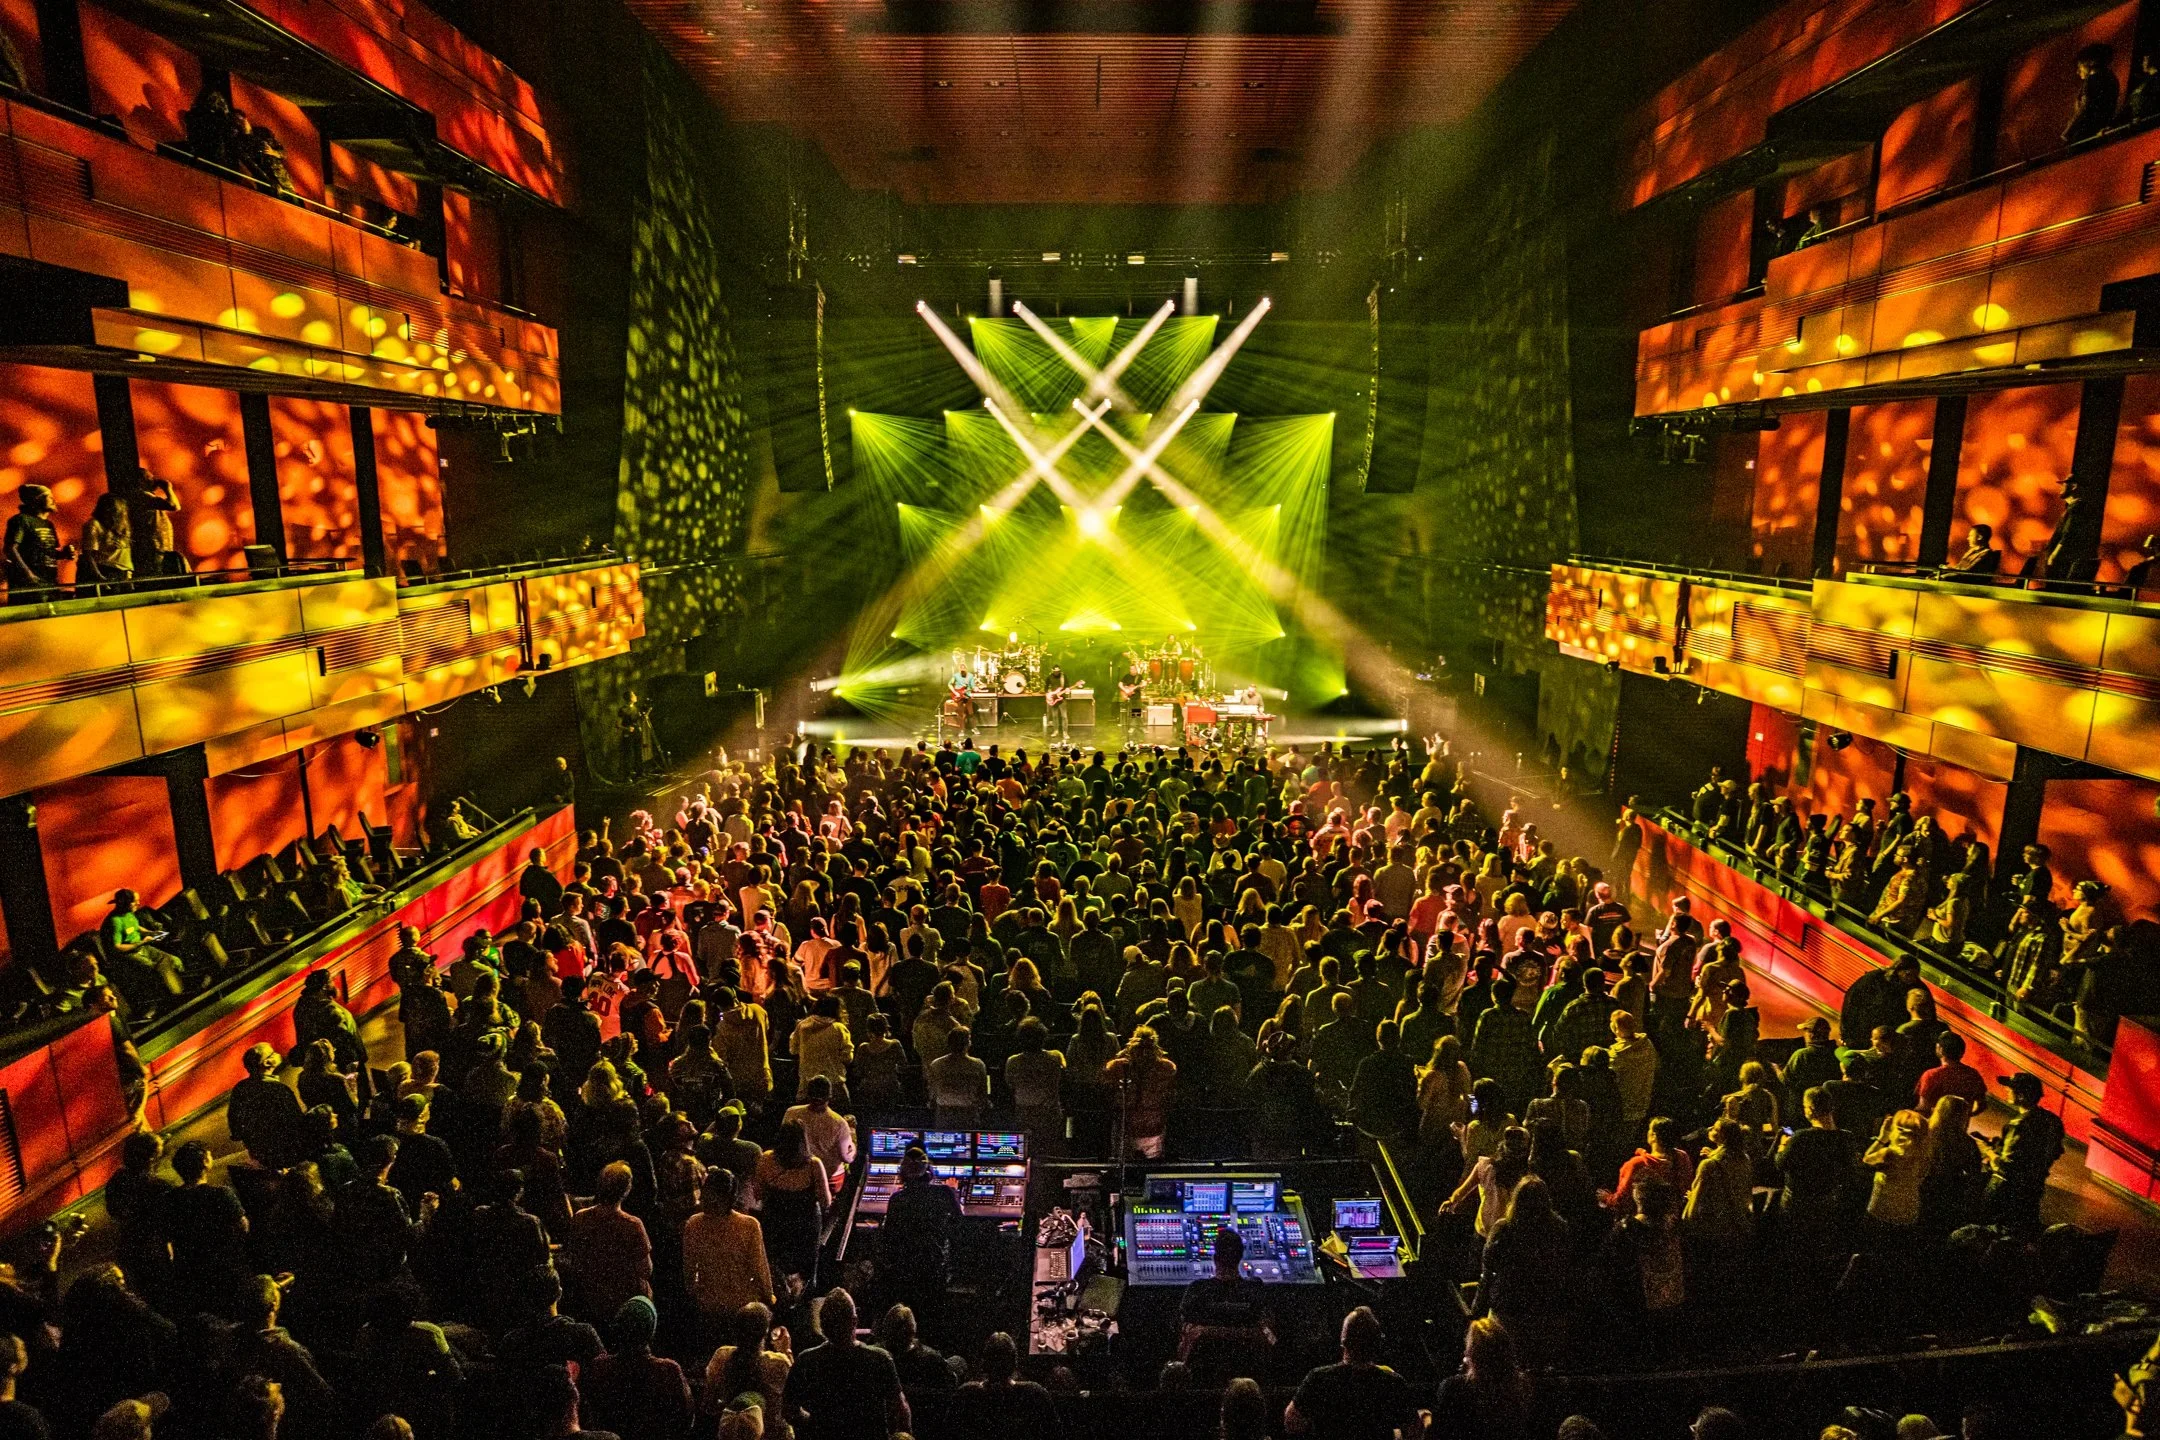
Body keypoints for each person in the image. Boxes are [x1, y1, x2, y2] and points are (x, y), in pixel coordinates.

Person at [781, 1288, 909, 1440]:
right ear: (854, 1320)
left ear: (822, 1324)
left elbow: (789, 1410)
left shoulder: (805, 1361)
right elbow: (901, 1410)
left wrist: (813, 1423)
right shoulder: (880, 1359)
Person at [1282, 1306, 1417, 1440]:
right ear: (1376, 1342)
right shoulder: (1393, 1383)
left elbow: (1291, 1422)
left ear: (1344, 1341)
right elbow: (1414, 1430)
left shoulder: (1318, 1379)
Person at [582, 1295, 694, 1440]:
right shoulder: (668, 1371)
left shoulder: (599, 1367)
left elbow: (589, 1417)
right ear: (651, 1329)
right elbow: (686, 1419)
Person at [682, 1168, 774, 1338]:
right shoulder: (749, 1225)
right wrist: (769, 1299)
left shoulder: (694, 1224)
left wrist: (698, 1294)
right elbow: (760, 1270)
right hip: (743, 1307)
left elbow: (689, 1273)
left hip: (709, 1307)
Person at [561, 1161, 654, 1323]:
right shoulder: (632, 1224)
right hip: (625, 1301)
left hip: (591, 1298)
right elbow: (645, 1270)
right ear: (627, 1189)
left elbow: (575, 1258)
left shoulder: (581, 1217)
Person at [879, 1146, 960, 1329]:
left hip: (904, 1271)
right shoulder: (944, 1193)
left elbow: (888, 1238)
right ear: (928, 1171)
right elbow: (960, 1222)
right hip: (934, 1268)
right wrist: (954, 1192)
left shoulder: (897, 1199)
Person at [1178, 1227, 1273, 1383]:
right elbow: (1268, 1335)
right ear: (1240, 1257)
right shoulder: (1255, 1289)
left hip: (1204, 1377)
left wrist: (1208, 1332)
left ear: (1215, 1258)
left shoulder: (1197, 1290)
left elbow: (1185, 1337)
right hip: (1249, 1375)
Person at [1982, 1070, 2065, 1231]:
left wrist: (1990, 1153)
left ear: (2021, 1096)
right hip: (2034, 1187)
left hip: (2008, 1190)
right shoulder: (2053, 1121)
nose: (2007, 1090)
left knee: (1994, 1227)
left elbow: (2006, 1166)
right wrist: (2000, 1143)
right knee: (2024, 1228)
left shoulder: (2018, 1125)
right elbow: (2055, 1151)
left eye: (2011, 1088)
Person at [946, 1333, 1061, 1440]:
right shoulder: (1035, 1394)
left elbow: (948, 1432)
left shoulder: (965, 1394)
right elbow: (1054, 1432)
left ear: (984, 1363)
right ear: (1014, 1362)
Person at [781, 1076, 856, 1189]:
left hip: (795, 1177)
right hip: (827, 1180)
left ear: (807, 1094)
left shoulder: (791, 1113)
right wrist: (852, 1133)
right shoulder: (839, 1123)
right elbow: (847, 1158)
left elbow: (783, 1144)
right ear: (830, 1096)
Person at [4, 485, 74, 602]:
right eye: (49, 497)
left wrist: (64, 554)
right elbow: (10, 549)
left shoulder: (48, 524)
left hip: (50, 581)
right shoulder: (21, 520)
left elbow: (47, 552)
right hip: (30, 584)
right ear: (36, 499)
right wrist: (28, 574)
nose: (53, 500)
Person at [2066, 42, 2122, 144]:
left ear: (2090, 63)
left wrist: (2067, 132)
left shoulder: (2091, 80)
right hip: (2101, 130)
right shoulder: (2112, 78)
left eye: (2080, 66)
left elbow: (2084, 107)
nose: (2078, 71)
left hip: (2084, 132)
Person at [81, 493, 133, 586]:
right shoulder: (94, 524)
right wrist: (99, 576)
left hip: (124, 570)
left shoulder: (121, 524)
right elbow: (89, 555)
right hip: (107, 569)